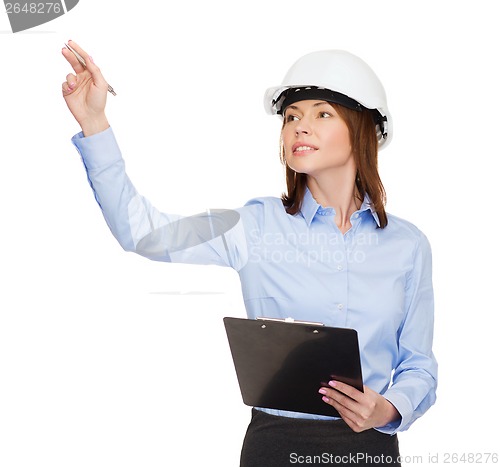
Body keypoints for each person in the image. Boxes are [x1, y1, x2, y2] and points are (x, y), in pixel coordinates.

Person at [61, 42, 437, 466]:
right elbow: (144, 232)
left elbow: (419, 365)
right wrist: (95, 123)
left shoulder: (407, 245)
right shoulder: (255, 226)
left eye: (321, 113)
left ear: (364, 128)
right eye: (291, 116)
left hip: (369, 451)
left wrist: (388, 409)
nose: (299, 126)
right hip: (275, 446)